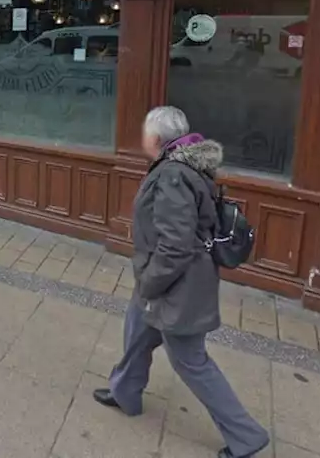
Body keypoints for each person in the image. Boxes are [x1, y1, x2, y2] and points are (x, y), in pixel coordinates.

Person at [93, 107, 269, 458]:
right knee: (137, 328)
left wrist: (152, 282)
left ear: (156, 139)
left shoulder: (172, 175)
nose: (142, 137)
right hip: (169, 280)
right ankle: (125, 389)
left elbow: (176, 246)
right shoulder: (183, 164)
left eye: (145, 132)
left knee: (191, 361)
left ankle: (246, 437)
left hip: (176, 284)